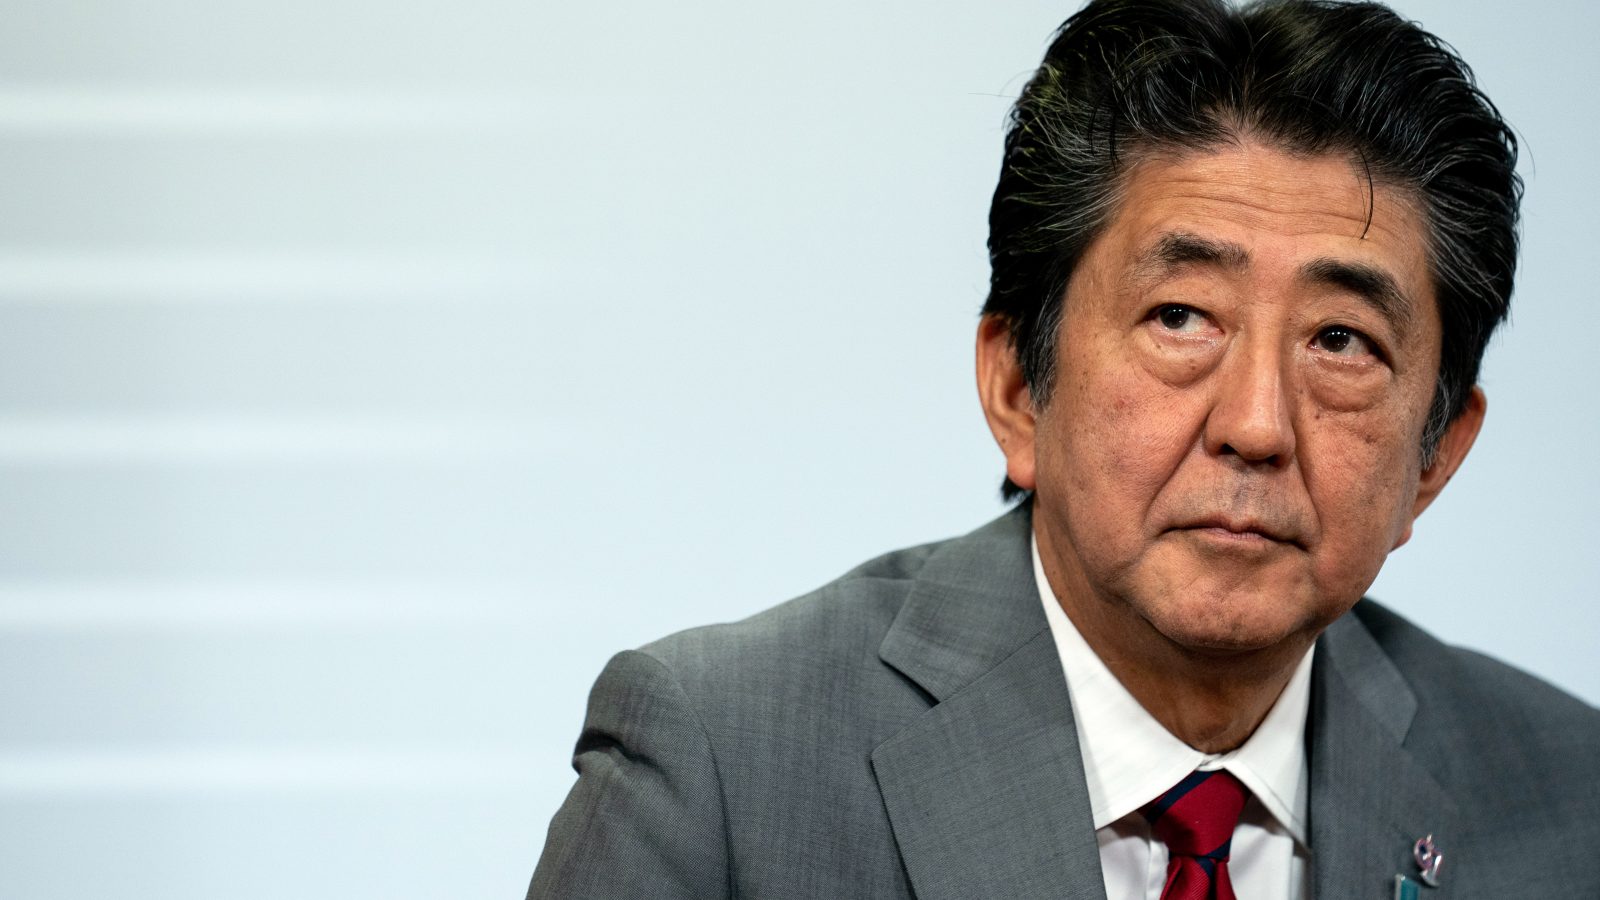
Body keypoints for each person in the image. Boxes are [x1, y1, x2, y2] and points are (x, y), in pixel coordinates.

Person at [529, 0, 1600, 897]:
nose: (1256, 426)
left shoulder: (1571, 800)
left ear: (1434, 458)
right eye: (1181, 317)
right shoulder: (722, 768)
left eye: (1341, 341)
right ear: (1016, 389)